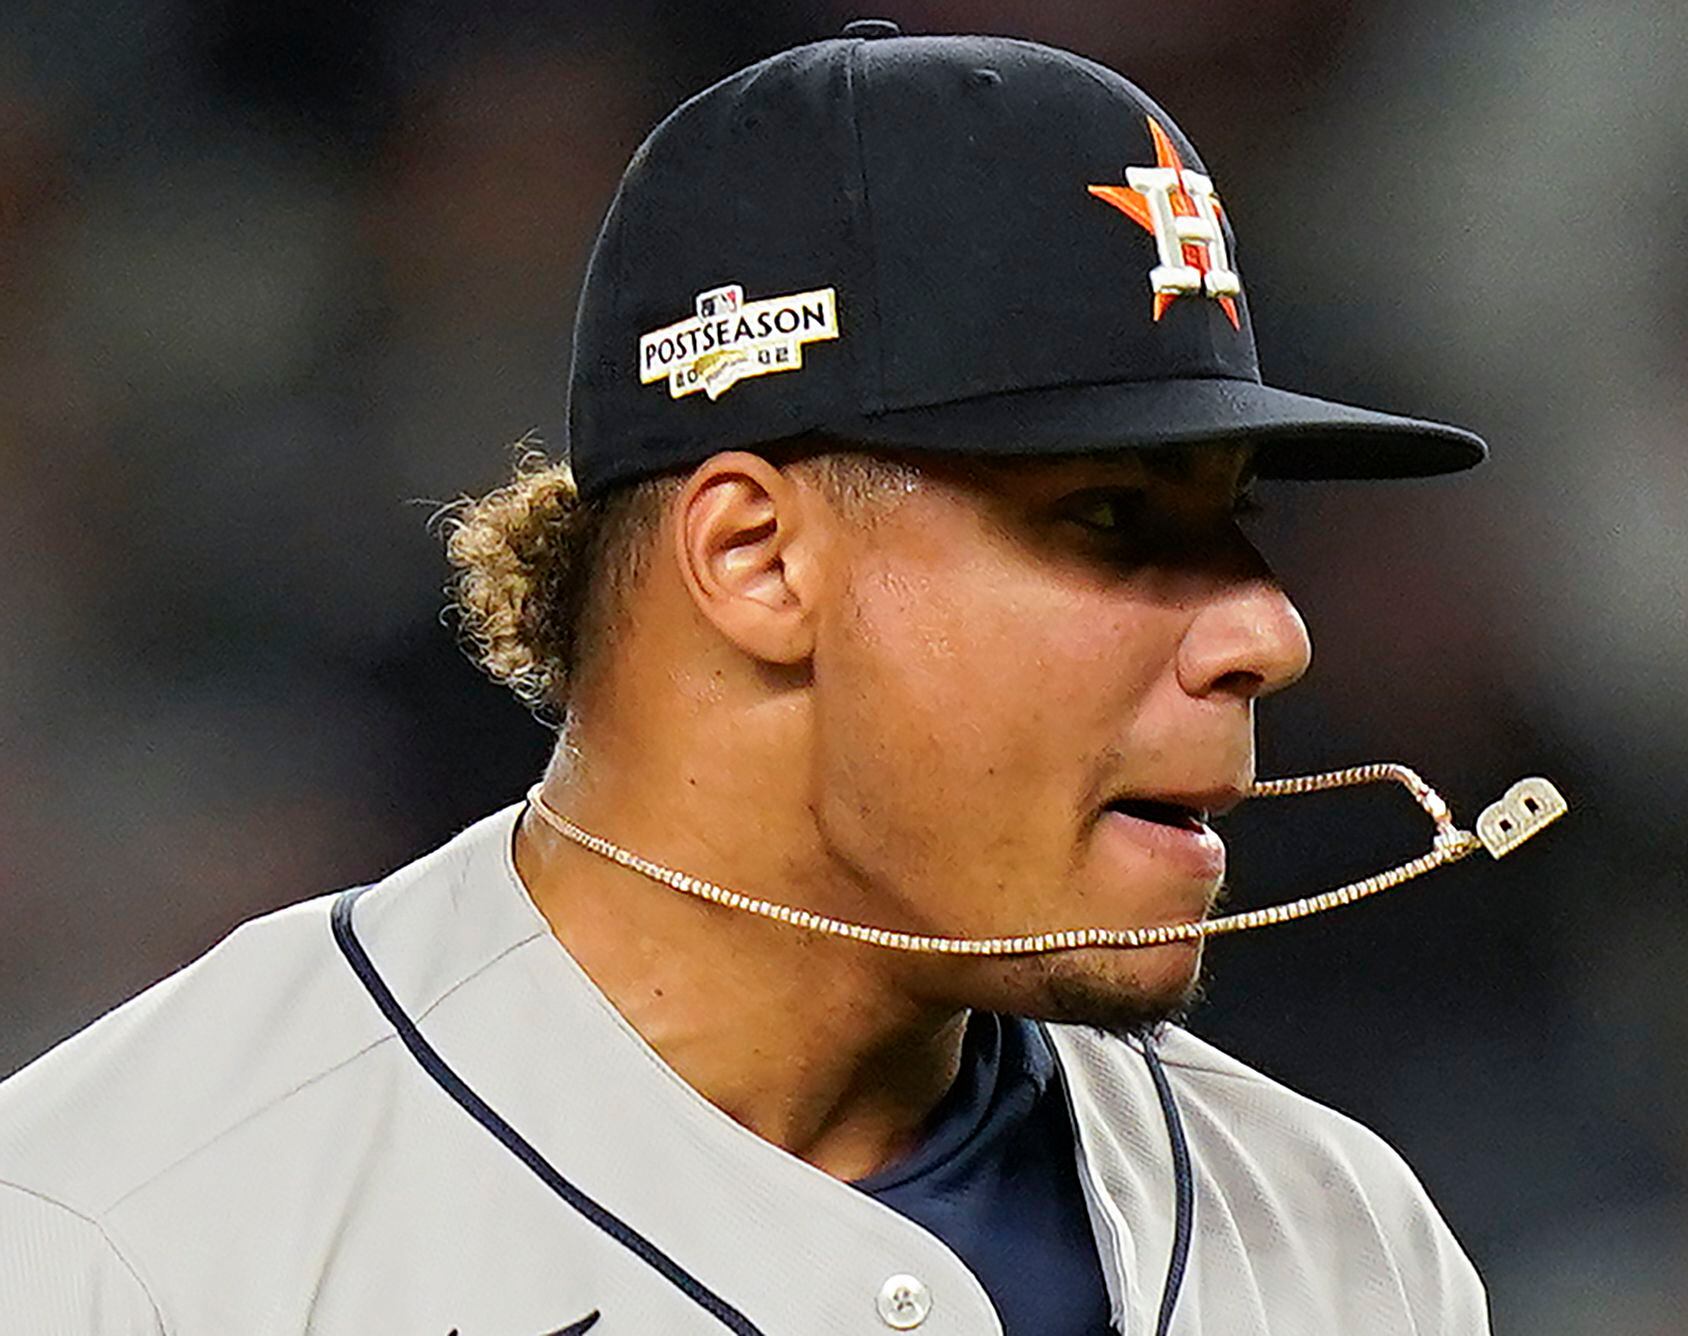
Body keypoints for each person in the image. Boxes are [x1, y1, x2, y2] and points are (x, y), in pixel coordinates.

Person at [0, 23, 1494, 1334]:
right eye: (1112, 519)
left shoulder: (1342, 1243)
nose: (1269, 635)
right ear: (758, 559)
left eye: (1240, 522)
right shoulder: (126, 1240)